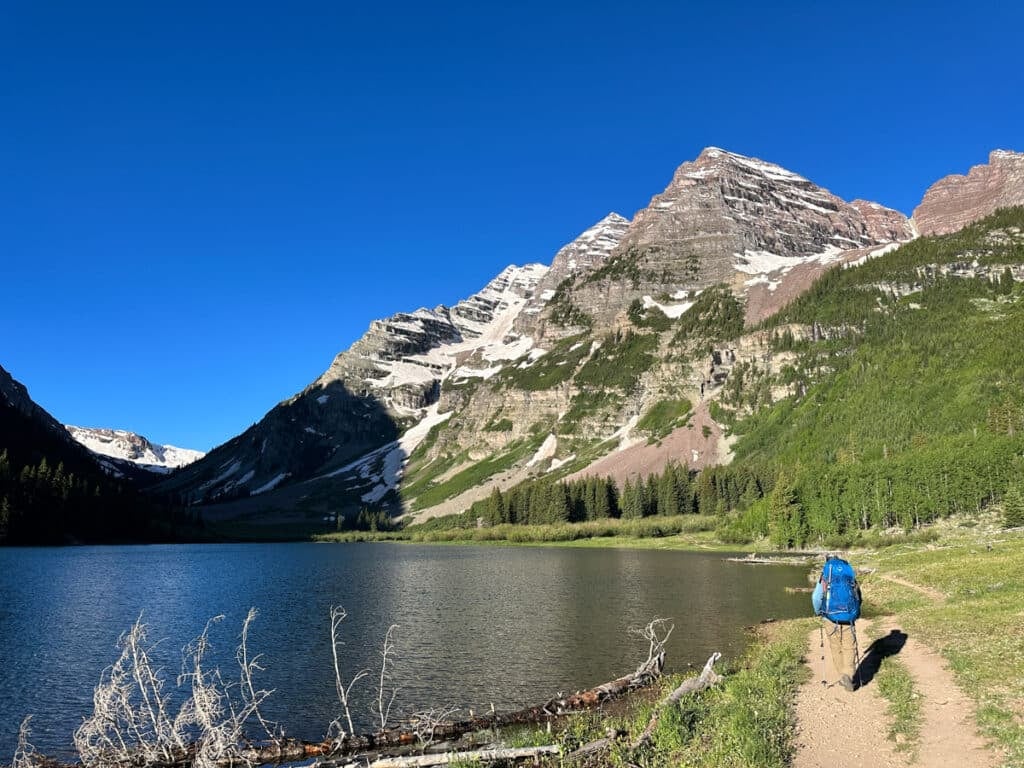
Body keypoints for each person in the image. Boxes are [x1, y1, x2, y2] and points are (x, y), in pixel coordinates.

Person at [812, 555, 862, 692]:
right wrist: (856, 612)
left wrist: (818, 611)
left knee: (835, 646)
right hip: (848, 616)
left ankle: (842, 675)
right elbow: (857, 595)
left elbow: (816, 597)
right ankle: (849, 674)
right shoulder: (848, 574)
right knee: (849, 646)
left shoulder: (825, 576)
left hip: (830, 618)